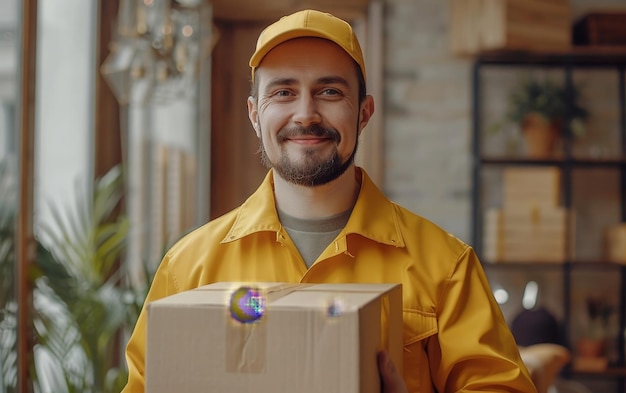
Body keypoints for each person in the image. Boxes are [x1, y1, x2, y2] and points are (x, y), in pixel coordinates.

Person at [121, 9, 537, 393]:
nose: (305, 114)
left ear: (364, 112)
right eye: (283, 92)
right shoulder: (188, 269)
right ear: (253, 114)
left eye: (330, 92)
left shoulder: (445, 267)